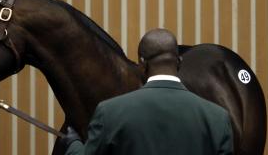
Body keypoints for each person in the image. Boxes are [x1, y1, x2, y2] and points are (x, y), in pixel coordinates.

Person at [63, 28, 234, 155]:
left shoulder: (109, 113)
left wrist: (73, 143)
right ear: (179, 62)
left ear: (142, 64)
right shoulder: (218, 119)